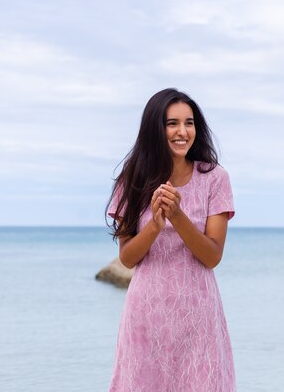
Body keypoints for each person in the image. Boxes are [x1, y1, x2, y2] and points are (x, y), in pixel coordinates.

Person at [105, 88, 236, 392]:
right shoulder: (132, 178)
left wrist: (178, 217)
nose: (182, 132)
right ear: (155, 128)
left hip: (198, 316)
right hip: (146, 316)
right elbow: (127, 258)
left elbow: (213, 256)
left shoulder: (214, 178)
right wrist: (154, 225)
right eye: (172, 123)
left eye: (189, 123)